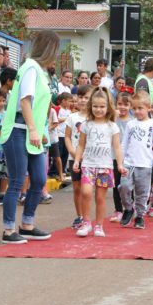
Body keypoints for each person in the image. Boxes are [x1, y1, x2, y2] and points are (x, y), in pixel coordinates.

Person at [0, 30, 59, 244]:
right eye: (55, 50)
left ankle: (27, 224)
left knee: (39, 179)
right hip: (18, 129)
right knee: (17, 180)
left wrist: (39, 131)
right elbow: (25, 100)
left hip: (32, 131)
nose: (56, 55)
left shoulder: (40, 71)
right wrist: (33, 129)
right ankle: (8, 230)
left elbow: (40, 105)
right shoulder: (30, 68)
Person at [72, 87, 125, 237]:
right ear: (90, 106)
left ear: (108, 107)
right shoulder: (86, 125)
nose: (98, 109)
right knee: (86, 192)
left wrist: (120, 164)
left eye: (102, 106)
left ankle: (99, 226)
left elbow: (117, 147)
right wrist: (77, 160)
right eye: (95, 106)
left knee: (100, 197)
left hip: (105, 166)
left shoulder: (112, 126)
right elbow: (81, 145)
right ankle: (86, 223)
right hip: (88, 165)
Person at [119, 91, 153, 229]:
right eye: (134, 108)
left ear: (148, 108)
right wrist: (120, 162)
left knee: (142, 192)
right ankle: (128, 208)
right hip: (129, 163)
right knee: (124, 187)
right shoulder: (130, 124)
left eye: (140, 108)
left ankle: (139, 216)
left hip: (145, 164)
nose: (137, 111)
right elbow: (124, 144)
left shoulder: (152, 125)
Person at [65, 85, 92, 228]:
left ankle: (87, 216)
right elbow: (67, 137)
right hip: (74, 158)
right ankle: (79, 216)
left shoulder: (95, 117)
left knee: (87, 189)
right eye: (80, 97)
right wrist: (72, 152)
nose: (83, 100)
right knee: (76, 188)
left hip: (90, 159)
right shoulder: (72, 117)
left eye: (86, 97)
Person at [110, 91, 131, 222]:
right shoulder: (112, 120)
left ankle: (130, 207)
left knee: (129, 184)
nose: (122, 107)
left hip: (129, 158)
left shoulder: (133, 121)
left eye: (126, 104)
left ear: (130, 106)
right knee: (116, 184)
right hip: (114, 156)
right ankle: (118, 210)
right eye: (119, 104)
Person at [55, 92, 72, 175]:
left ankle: (63, 170)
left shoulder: (69, 111)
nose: (70, 103)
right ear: (63, 101)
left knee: (65, 153)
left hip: (66, 135)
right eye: (69, 101)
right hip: (59, 135)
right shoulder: (57, 109)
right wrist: (66, 119)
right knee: (59, 154)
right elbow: (55, 120)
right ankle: (55, 171)